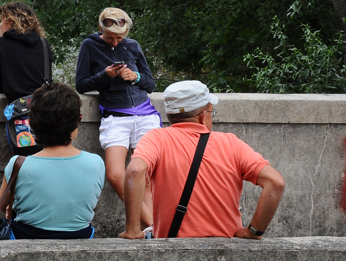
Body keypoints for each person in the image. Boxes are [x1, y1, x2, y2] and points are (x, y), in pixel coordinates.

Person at [119, 80, 285, 239]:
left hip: (171, 249)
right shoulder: (231, 143)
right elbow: (275, 183)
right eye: (211, 112)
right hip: (226, 248)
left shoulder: (156, 138)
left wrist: (132, 230)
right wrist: (253, 232)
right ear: (202, 116)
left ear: (170, 114)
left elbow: (135, 171)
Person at [75, 7, 157, 227]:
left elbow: (150, 84)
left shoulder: (133, 46)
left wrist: (135, 76)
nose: (115, 42)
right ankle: (153, 225)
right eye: (110, 37)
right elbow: (81, 84)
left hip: (144, 113)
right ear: (100, 29)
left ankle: (149, 230)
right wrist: (105, 75)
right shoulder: (89, 45)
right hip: (115, 114)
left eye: (119, 38)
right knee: (114, 173)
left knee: (146, 176)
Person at [0, 82, 105, 238]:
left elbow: (2, 207)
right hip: (80, 242)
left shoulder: (18, 165)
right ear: (78, 121)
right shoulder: (96, 163)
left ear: (32, 124)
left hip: (24, 243)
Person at [0, 1, 53, 102]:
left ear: (10, 22)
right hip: (44, 106)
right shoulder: (44, 43)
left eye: (1, 21)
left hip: (20, 107)